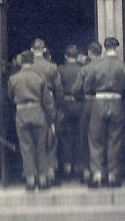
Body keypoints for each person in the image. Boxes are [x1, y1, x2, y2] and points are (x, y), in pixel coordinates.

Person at [84, 37, 125, 188]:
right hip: (117, 102)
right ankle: (112, 175)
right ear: (116, 48)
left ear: (104, 48)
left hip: (99, 102)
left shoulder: (96, 67)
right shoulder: (124, 67)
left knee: (96, 139)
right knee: (115, 140)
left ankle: (97, 174)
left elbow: (87, 87)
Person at [8, 50, 55, 191]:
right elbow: (47, 101)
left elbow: (10, 97)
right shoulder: (39, 78)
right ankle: (42, 179)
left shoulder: (13, 78)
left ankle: (30, 180)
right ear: (33, 61)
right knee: (41, 146)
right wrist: (51, 119)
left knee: (26, 147)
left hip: (22, 112)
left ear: (21, 62)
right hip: (38, 112)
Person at [30, 38, 63, 186]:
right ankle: (50, 173)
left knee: (31, 141)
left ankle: (34, 174)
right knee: (50, 140)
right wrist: (59, 106)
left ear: (32, 50)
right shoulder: (52, 67)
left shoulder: (27, 66)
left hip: (31, 104)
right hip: (48, 102)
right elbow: (58, 89)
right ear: (44, 50)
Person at [73, 41, 102, 184]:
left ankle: (86, 171)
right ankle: (104, 171)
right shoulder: (105, 67)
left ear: (90, 53)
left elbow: (77, 90)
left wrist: (79, 99)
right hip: (104, 103)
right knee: (104, 137)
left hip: (89, 103)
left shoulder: (85, 69)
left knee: (84, 137)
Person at [58, 45, 82, 178]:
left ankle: (67, 168)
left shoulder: (60, 69)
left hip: (65, 105)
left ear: (66, 56)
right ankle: (78, 167)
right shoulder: (82, 69)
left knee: (66, 138)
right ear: (77, 56)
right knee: (79, 137)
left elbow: (58, 89)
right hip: (79, 104)